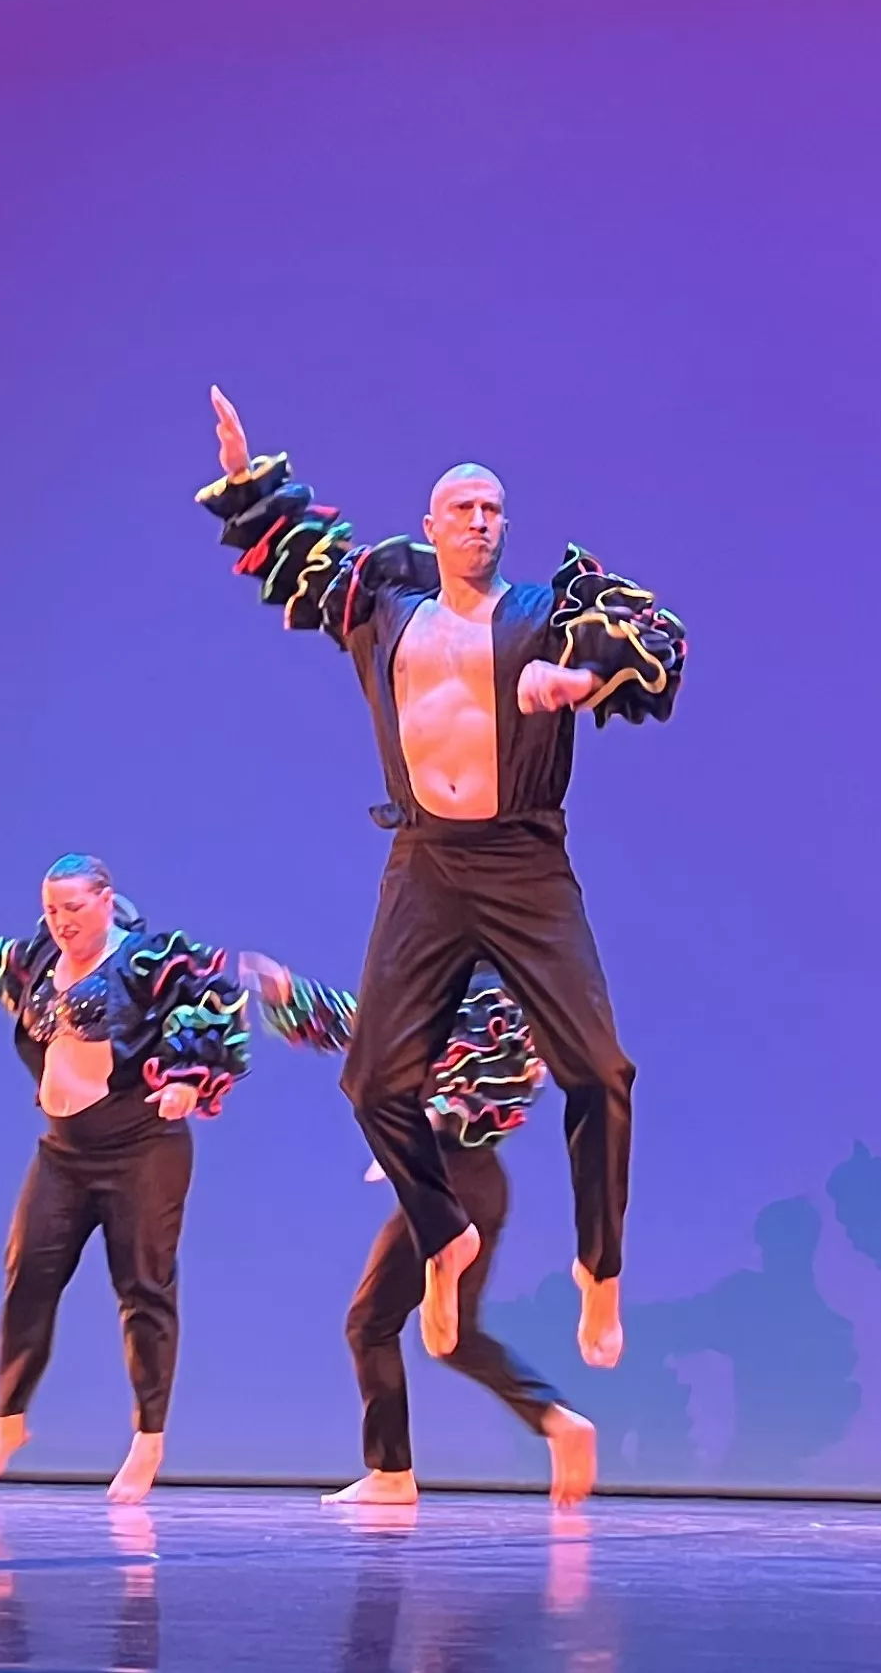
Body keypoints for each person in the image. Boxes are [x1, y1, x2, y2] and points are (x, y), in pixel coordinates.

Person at [195, 386, 683, 1371]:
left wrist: (580, 678)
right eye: (460, 506)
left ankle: (602, 1270)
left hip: (522, 861)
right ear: (429, 525)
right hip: (424, 859)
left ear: (507, 527)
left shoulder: (547, 614)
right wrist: (250, 478)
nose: (478, 519)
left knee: (600, 1068)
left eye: (493, 508)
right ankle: (442, 1224)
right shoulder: (386, 609)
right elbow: (306, 553)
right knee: (373, 1076)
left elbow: (652, 642)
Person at [0, 853, 249, 1502]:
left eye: (73, 908)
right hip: (62, 1152)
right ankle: (7, 1421)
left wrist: (186, 1081)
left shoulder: (153, 959)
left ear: (105, 900)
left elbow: (216, 1008)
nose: (61, 922)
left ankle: (147, 1441)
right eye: (51, 909)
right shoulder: (41, 956)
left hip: (141, 1147)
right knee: (27, 1277)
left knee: (144, 1289)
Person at [237, 953, 600, 1507]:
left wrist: (430, 1122)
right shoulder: (457, 983)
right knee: (453, 1340)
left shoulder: (488, 989)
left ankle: (392, 1472)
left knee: (370, 1323)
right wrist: (293, 996)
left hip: (448, 1176)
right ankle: (555, 1418)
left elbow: (486, 1072)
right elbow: (375, 1026)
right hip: (476, 1181)